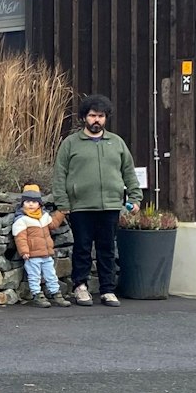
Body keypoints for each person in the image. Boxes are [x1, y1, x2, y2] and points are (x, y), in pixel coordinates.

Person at [50, 94, 142, 307]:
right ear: (84, 117)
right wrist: (63, 203)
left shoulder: (116, 142)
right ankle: (80, 287)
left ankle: (107, 290)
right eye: (92, 115)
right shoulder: (71, 144)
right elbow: (59, 175)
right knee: (82, 247)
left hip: (110, 205)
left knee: (107, 248)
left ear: (106, 118)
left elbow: (128, 172)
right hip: (80, 206)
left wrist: (135, 197)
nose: (96, 120)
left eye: (100, 116)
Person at [11, 185, 67, 307]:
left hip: (47, 254)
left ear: (39, 204)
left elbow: (54, 224)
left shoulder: (44, 216)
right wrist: (24, 251)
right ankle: (37, 295)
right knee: (34, 276)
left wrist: (61, 213)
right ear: (22, 203)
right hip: (32, 255)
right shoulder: (21, 219)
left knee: (51, 274)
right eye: (27, 201)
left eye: (34, 202)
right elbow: (20, 237)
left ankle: (55, 293)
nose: (31, 204)